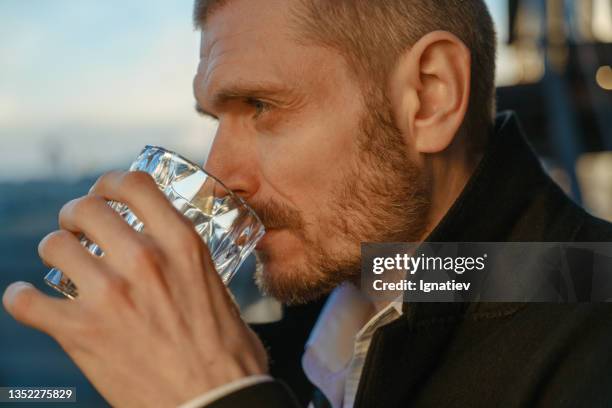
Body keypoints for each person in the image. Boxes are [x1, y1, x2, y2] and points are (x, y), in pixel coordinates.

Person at [4, 0, 612, 407]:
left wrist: (220, 395)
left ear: (429, 97)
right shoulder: (364, 292)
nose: (220, 172)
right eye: (217, 117)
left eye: (261, 108)